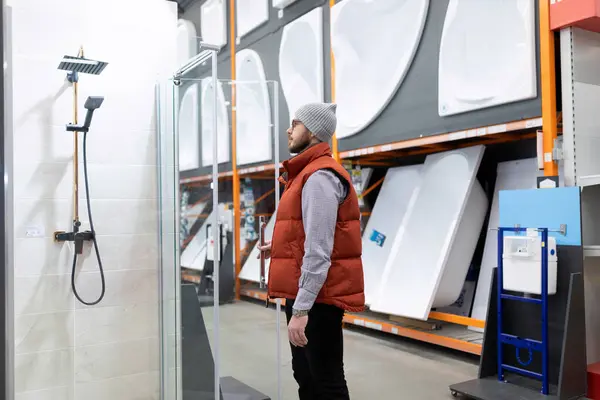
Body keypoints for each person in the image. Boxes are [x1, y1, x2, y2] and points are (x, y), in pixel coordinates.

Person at [258, 102, 365, 399]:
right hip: (308, 293)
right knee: (306, 376)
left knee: (325, 380)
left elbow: (319, 250)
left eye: (296, 124)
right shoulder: (305, 174)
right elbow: (306, 233)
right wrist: (278, 248)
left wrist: (302, 309)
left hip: (318, 299)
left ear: (315, 132)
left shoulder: (319, 177)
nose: (288, 129)